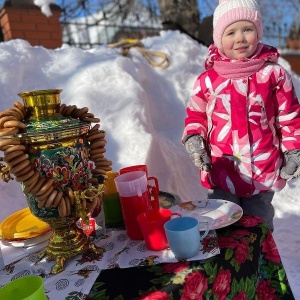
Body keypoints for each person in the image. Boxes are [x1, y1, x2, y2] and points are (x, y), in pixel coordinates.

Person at [182, 0, 300, 231]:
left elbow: (289, 115)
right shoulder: (207, 80)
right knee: (223, 227)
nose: (240, 38)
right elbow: (196, 116)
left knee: (259, 228)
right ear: (218, 38)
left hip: (262, 169)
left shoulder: (273, 74)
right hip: (222, 169)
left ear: (258, 32)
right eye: (231, 32)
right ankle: (229, 267)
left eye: (247, 29)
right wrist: (194, 139)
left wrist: (294, 149)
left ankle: (260, 263)